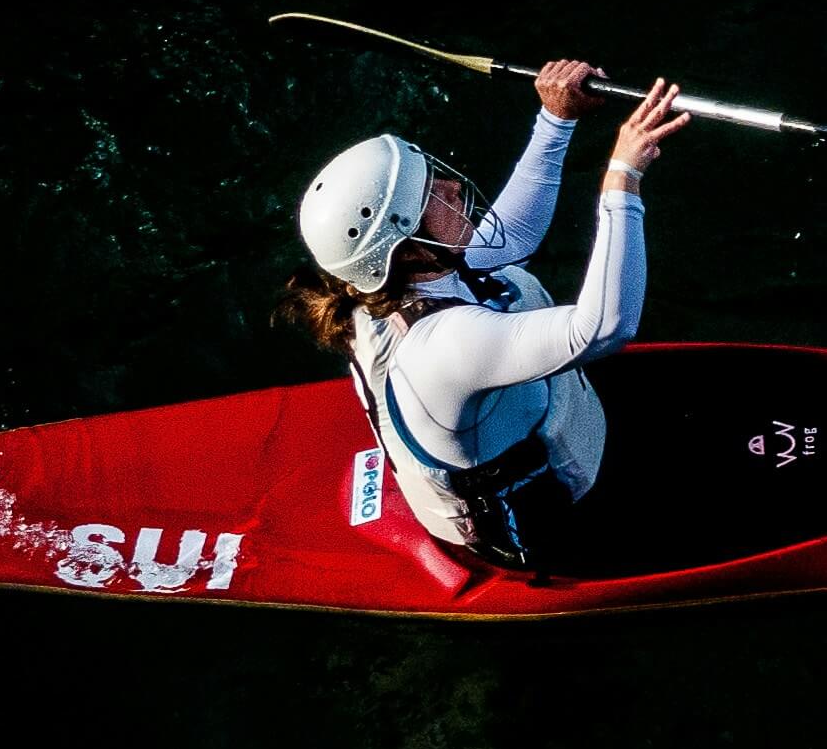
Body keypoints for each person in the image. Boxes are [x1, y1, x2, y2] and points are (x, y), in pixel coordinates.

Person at [280, 62, 692, 568]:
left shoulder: (406, 277)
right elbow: (604, 327)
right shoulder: (442, 345)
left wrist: (556, 119)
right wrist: (623, 178)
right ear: (406, 248)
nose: (451, 187)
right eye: (431, 194)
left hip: (578, 433)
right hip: (563, 525)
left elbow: (511, 238)